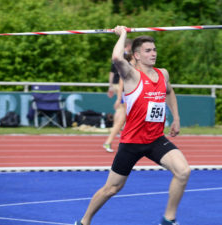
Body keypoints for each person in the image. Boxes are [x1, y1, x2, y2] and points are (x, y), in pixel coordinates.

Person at [75, 26, 190, 225]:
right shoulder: (131, 75)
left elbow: (169, 92)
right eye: (148, 50)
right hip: (132, 142)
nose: (153, 53)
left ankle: (168, 219)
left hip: (155, 139)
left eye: (154, 50)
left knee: (183, 172)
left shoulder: (163, 74)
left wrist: (177, 118)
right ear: (136, 55)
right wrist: (123, 34)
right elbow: (117, 58)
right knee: (111, 189)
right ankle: (84, 221)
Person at [103, 39, 133, 153]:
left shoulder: (125, 60)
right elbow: (121, 80)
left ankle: (112, 140)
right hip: (124, 93)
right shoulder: (125, 61)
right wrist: (119, 98)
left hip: (125, 93)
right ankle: (108, 141)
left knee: (121, 119)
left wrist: (111, 87)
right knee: (121, 120)